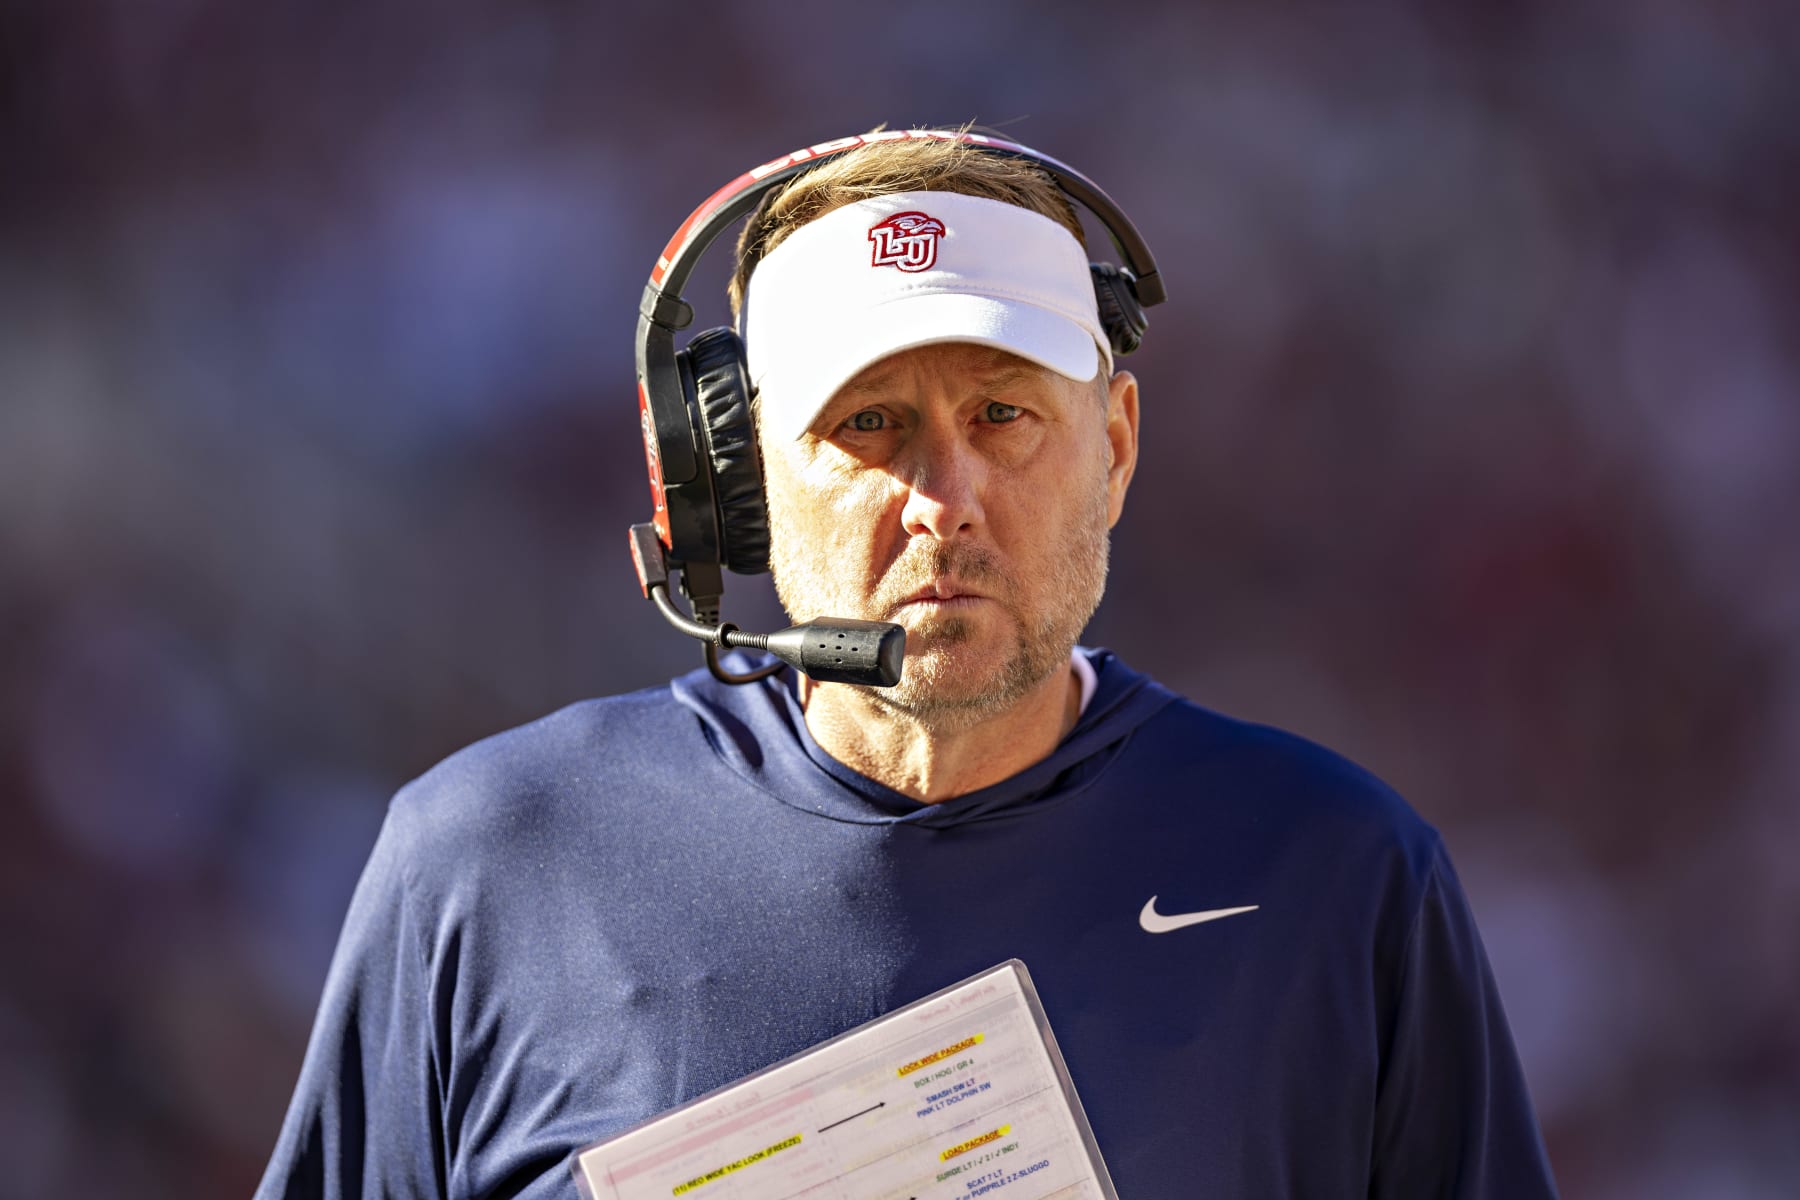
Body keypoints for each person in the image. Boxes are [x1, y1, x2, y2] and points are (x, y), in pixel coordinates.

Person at [256, 132, 1560, 1199]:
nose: (948, 497)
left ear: (1115, 440)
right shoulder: (489, 867)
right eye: (873, 425)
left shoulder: (1336, 873)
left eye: (1004, 415)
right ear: (739, 478)